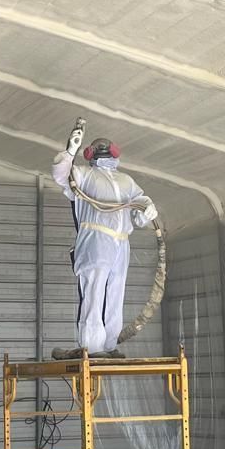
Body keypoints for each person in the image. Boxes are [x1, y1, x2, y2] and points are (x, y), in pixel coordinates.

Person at [52, 119, 157, 357]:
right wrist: (70, 151)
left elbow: (138, 204)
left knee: (115, 291)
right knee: (94, 289)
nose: (102, 147)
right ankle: (92, 346)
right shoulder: (84, 174)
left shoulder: (126, 181)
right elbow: (60, 175)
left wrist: (148, 207)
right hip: (95, 241)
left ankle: (109, 345)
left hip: (121, 242)